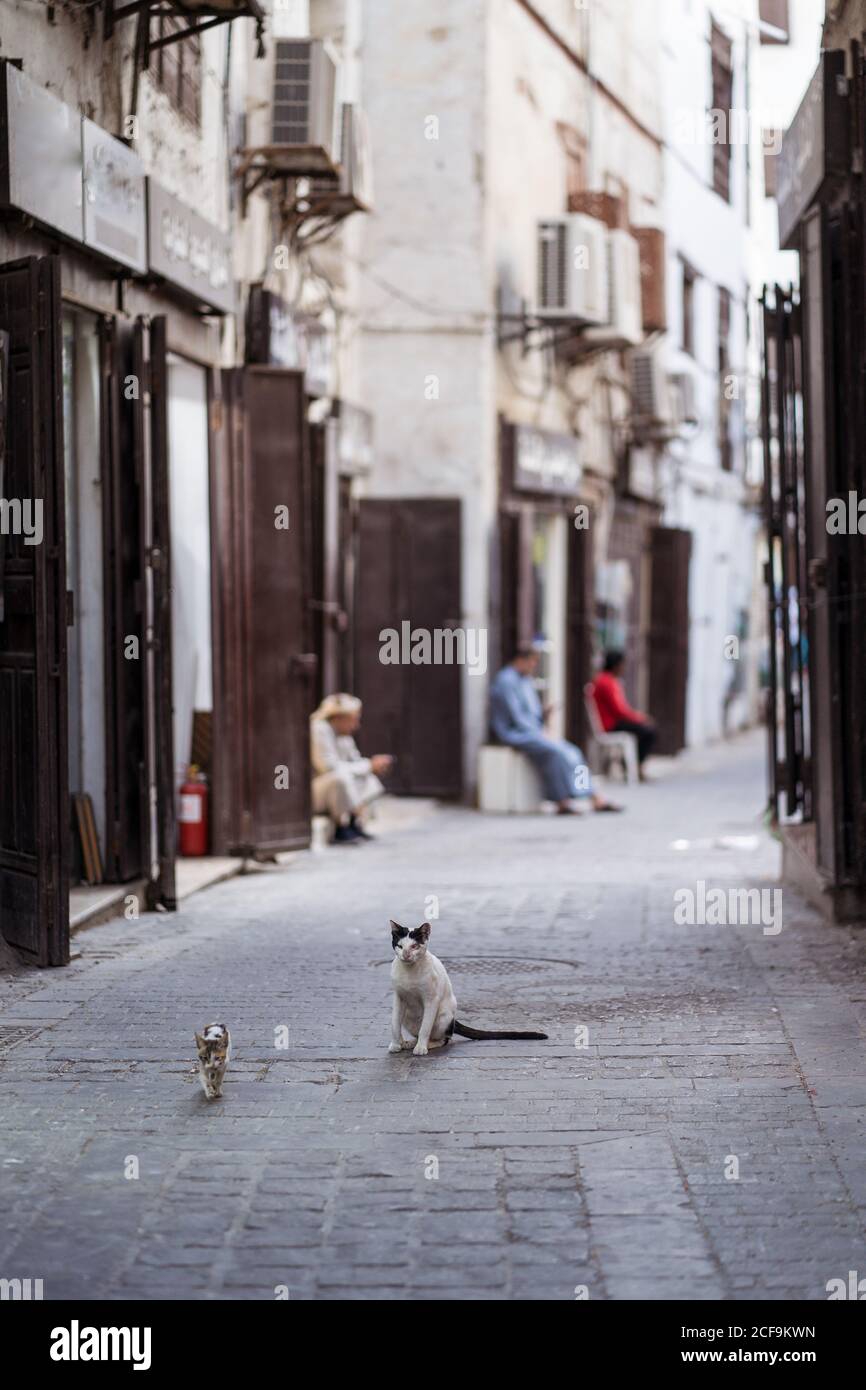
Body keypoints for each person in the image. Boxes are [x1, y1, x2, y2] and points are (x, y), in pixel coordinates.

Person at [489, 647, 622, 814]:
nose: (533, 666)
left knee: (573, 752)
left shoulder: (525, 680)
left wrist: (544, 715)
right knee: (557, 753)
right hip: (516, 733)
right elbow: (516, 717)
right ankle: (562, 800)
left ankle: (592, 796)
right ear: (520, 660)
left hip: (533, 731)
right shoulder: (506, 681)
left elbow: (531, 713)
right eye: (532, 662)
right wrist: (540, 732)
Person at [310, 693, 393, 844]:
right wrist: (368, 765)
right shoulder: (319, 729)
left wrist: (371, 766)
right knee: (339, 778)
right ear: (338, 718)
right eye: (353, 720)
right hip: (317, 791)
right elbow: (328, 767)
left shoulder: (344, 735)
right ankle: (342, 827)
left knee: (368, 777)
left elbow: (355, 761)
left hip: (339, 785)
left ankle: (355, 823)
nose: (356, 725)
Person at [590, 650, 656, 780]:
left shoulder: (605, 680)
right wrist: (640, 718)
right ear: (616, 665)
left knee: (645, 729)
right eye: (622, 665)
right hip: (611, 724)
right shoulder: (607, 682)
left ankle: (632, 765)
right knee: (648, 731)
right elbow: (619, 710)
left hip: (612, 721)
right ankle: (634, 766)